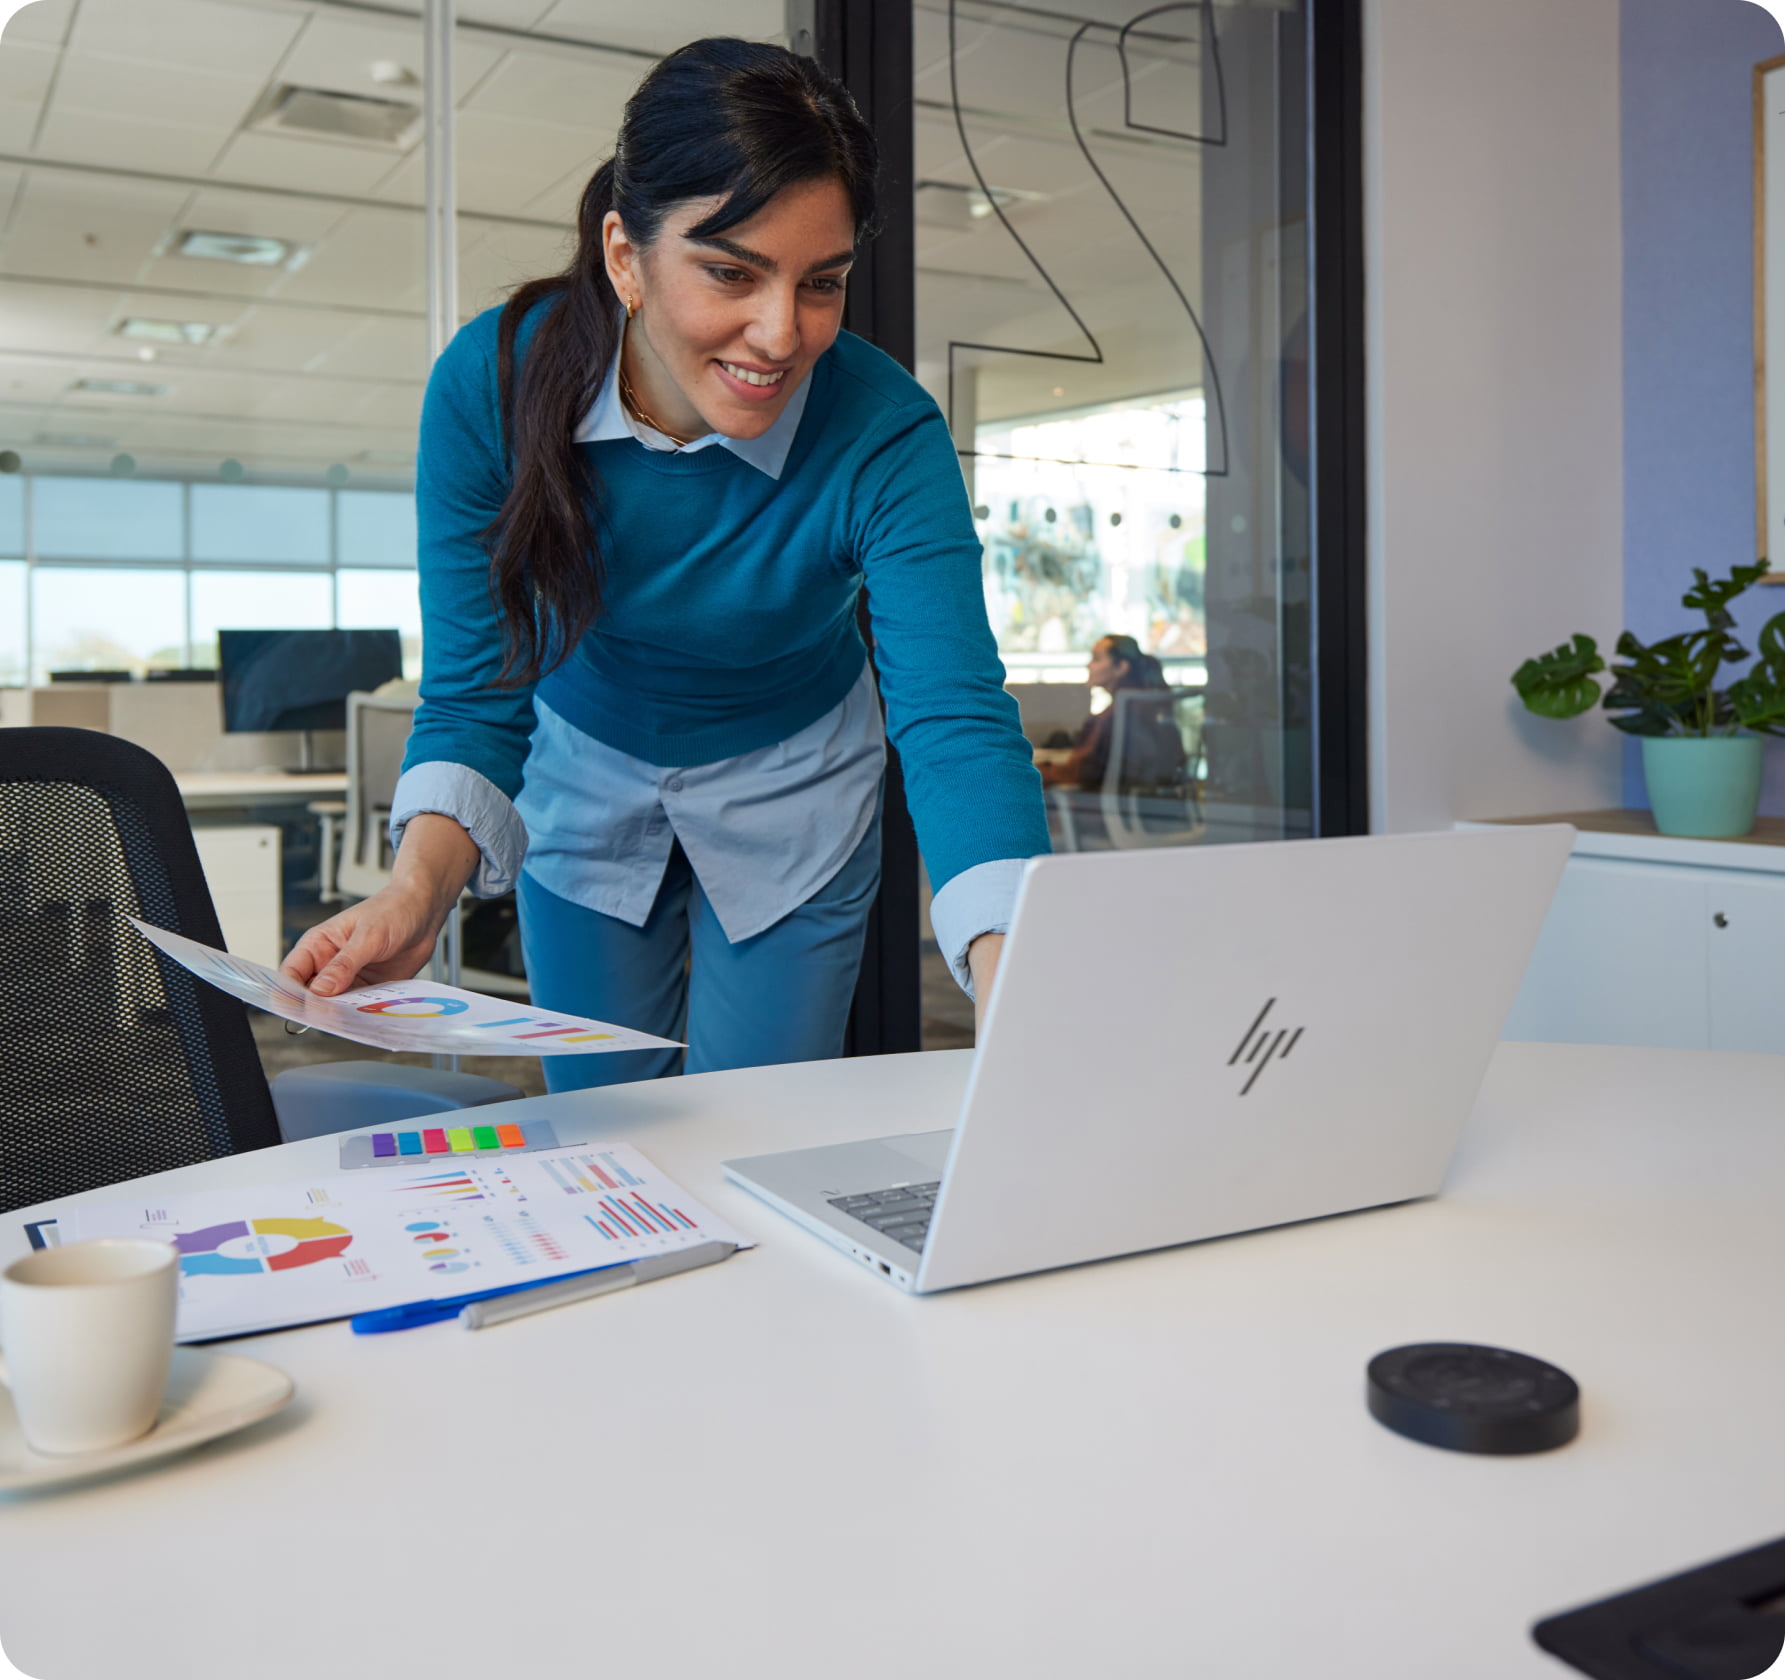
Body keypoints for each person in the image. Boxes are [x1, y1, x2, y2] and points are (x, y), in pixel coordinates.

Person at [281, 38, 1048, 1091]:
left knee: (756, 1124)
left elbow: (953, 715)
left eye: (820, 283)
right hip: (584, 768)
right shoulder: (493, 387)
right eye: (731, 271)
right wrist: (416, 892)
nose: (780, 335)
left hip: (794, 778)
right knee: (605, 1132)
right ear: (625, 255)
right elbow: (476, 691)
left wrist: (1018, 981)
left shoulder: (885, 432)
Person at [1039, 634, 1187, 794]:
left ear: (1121, 667)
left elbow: (1083, 772)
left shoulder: (1120, 714)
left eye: (1096, 659)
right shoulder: (1146, 706)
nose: (1088, 665)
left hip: (1099, 809)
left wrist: (1037, 770)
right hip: (1142, 806)